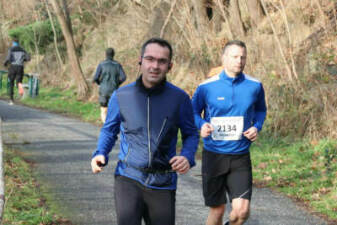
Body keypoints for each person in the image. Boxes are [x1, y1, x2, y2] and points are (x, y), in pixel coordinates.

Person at [91, 37, 199, 225]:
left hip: (163, 181)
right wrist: (100, 153)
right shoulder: (121, 96)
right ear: (140, 62)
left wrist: (187, 157)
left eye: (162, 61)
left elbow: (191, 134)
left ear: (170, 66)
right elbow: (109, 130)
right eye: (150, 59)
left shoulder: (180, 98)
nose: (155, 66)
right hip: (128, 176)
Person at [191, 40, 267, 225]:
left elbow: (261, 110)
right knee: (217, 211)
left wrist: (256, 126)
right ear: (224, 58)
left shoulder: (255, 85)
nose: (239, 61)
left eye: (243, 57)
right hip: (214, 156)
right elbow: (192, 112)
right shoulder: (206, 87)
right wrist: (201, 124)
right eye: (234, 56)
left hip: (240, 156)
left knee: (241, 213)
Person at [92, 47, 126, 123]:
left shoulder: (101, 64)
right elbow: (124, 77)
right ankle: (111, 124)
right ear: (113, 55)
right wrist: (117, 83)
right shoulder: (117, 65)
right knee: (113, 108)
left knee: (103, 108)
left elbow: (95, 78)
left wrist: (99, 83)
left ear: (105, 55)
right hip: (114, 89)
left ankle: (105, 124)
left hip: (103, 90)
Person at [3, 38, 30, 105]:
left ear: (13, 43)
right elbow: (28, 58)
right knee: (19, 82)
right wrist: (23, 59)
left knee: (11, 83)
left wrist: (5, 63)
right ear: (18, 43)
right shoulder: (23, 50)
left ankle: (11, 100)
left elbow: (8, 58)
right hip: (20, 67)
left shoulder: (11, 49)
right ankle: (20, 90)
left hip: (13, 67)